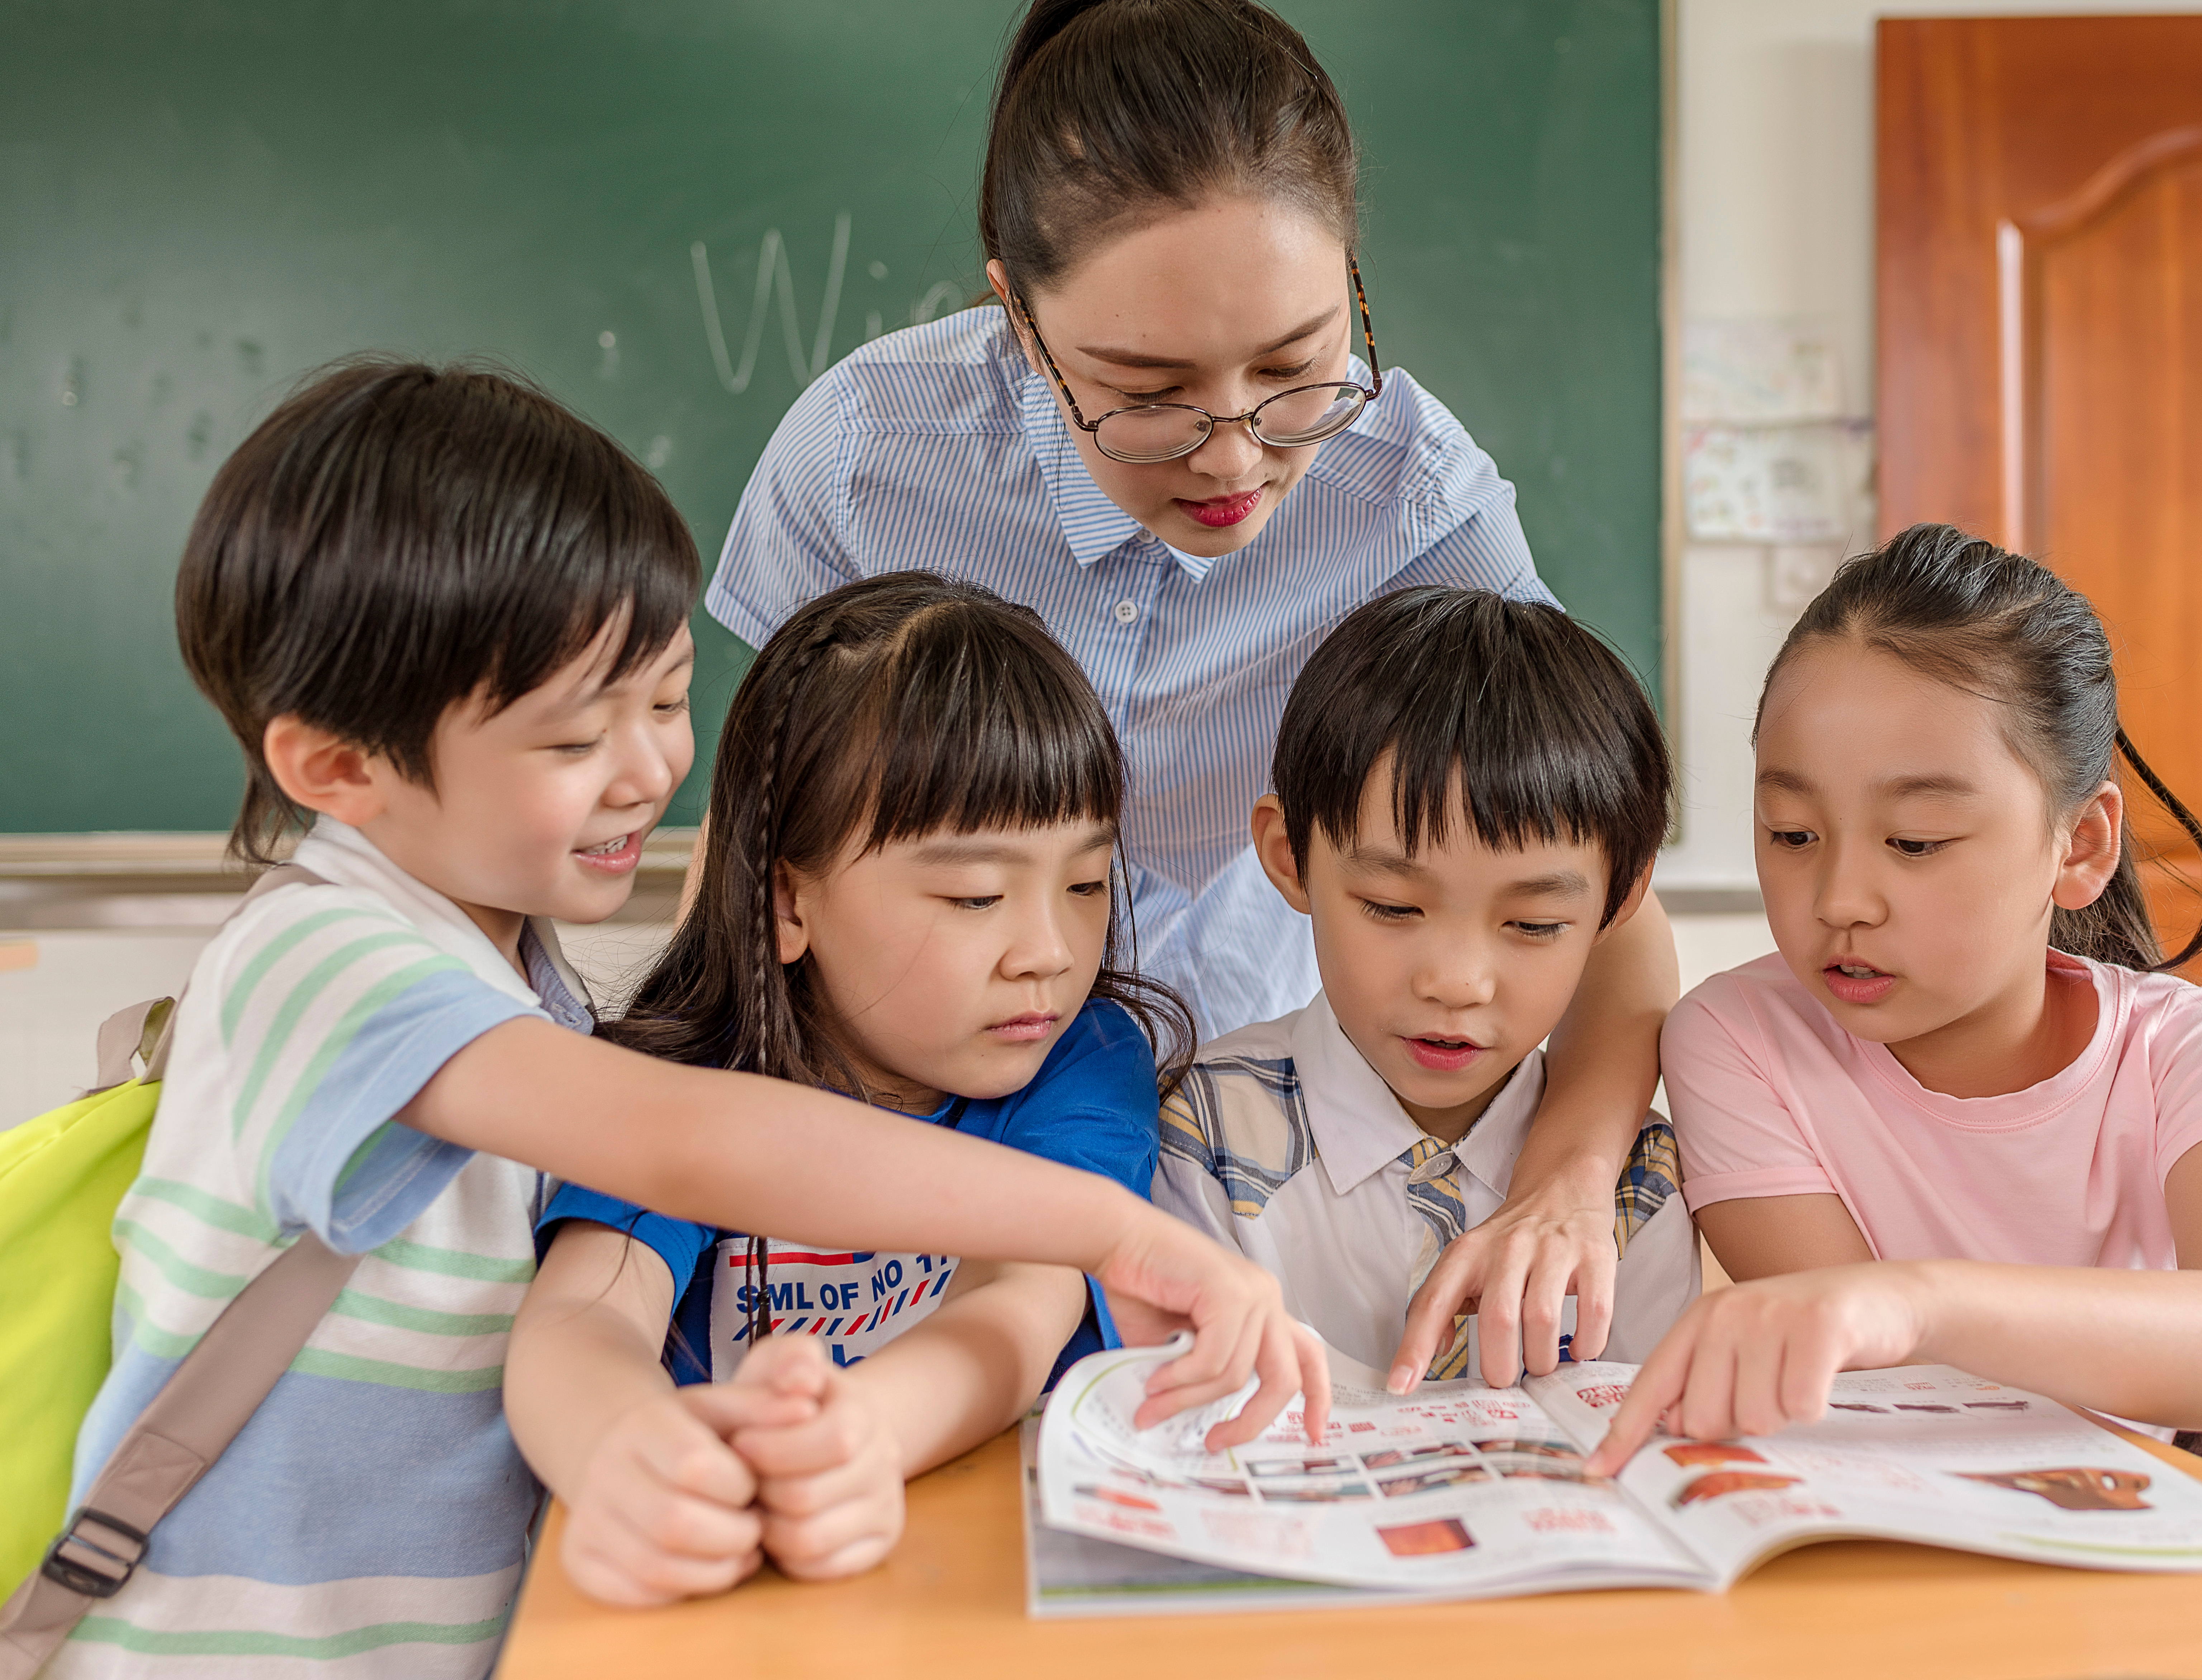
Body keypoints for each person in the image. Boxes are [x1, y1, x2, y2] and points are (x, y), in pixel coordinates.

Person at [49, 360, 1323, 1679]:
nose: (655, 769)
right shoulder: (321, 957)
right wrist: (1120, 1230)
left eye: (663, 699)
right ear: (339, 766)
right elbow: (681, 1145)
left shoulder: (513, 971)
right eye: (570, 739)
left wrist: (659, 1456)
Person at [706, 0, 1679, 1383]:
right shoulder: (866, 454)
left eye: (1295, 370)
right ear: (1019, 320)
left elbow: (1590, 873)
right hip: (921, 1097)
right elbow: (766, 845)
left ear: (1352, 284)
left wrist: (1572, 1178)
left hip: (1274, 1100)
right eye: (1146, 392)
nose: (1236, 455)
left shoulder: (1407, 486)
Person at [1587, 525, 2202, 1478]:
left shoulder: (2183, 1051)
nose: (1840, 901)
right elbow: (1891, 1401)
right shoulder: (1739, 1041)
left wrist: (1914, 1301)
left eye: (1915, 840)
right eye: (1791, 834)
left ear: (2080, 847)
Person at [507, 573, 1195, 1606]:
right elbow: (580, 1323)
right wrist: (629, 1452)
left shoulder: (1081, 1058)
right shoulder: (681, 1088)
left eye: (1089, 884)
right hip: (730, 1598)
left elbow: (1021, 1303)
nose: (1051, 953)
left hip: (975, 1597)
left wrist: (852, 1436)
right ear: (789, 899)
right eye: (974, 895)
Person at [1155, 589, 1699, 1382]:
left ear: (1618, 900)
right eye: (1392, 906)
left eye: (1535, 923)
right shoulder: (1206, 1133)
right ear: (1288, 856)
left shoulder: (1637, 1187)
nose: (1456, 982)